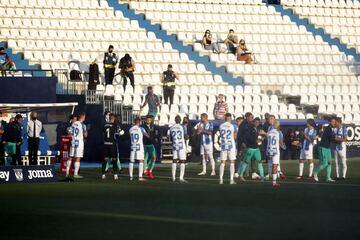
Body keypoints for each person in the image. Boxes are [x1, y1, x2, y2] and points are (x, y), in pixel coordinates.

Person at [238, 113, 265, 181]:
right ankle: (240, 175)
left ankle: (262, 176)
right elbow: (248, 137)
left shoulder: (256, 129)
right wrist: (255, 140)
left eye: (258, 122)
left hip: (256, 148)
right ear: (253, 122)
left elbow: (258, 138)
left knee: (259, 161)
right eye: (255, 122)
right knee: (246, 162)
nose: (257, 123)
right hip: (251, 148)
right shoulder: (250, 128)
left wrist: (261, 139)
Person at [102, 113, 124, 180]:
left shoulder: (105, 125)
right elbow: (119, 133)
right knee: (114, 160)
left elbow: (103, 133)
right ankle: (115, 175)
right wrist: (121, 133)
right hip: (112, 145)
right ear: (114, 119)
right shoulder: (115, 125)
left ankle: (103, 174)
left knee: (105, 160)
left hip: (106, 144)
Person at [313, 118, 336, 182]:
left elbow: (332, 138)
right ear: (330, 122)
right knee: (324, 164)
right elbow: (332, 138)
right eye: (332, 121)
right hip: (323, 148)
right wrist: (339, 140)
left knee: (330, 163)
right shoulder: (328, 129)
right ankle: (315, 172)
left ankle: (328, 178)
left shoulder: (331, 129)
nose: (334, 123)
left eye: (334, 122)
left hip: (327, 148)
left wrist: (337, 139)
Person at [66, 113, 87, 179]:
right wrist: (86, 132)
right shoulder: (83, 125)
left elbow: (69, 132)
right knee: (78, 157)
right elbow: (86, 135)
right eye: (84, 117)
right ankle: (75, 174)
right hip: (79, 142)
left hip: (73, 141)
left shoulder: (73, 123)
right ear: (83, 117)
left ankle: (67, 173)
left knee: (70, 156)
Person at [218, 113, 237, 185]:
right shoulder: (233, 126)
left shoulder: (221, 126)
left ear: (225, 118)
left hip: (223, 145)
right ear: (230, 118)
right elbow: (234, 137)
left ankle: (221, 180)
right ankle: (231, 180)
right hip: (231, 145)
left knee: (222, 162)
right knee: (232, 162)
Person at [170, 115, 188, 183]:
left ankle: (173, 177)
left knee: (174, 160)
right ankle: (181, 178)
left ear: (175, 120)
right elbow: (186, 136)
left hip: (175, 144)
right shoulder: (183, 126)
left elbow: (171, 138)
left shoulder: (171, 127)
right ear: (180, 120)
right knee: (182, 161)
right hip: (181, 145)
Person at [129, 117, 148, 181]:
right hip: (139, 146)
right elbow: (147, 136)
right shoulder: (141, 128)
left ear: (134, 122)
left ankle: (131, 176)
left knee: (131, 161)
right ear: (139, 122)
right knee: (141, 160)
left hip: (133, 145)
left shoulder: (131, 129)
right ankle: (140, 177)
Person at [266, 120, 283, 187]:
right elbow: (281, 142)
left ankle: (270, 174)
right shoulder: (279, 132)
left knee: (270, 164)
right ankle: (274, 182)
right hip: (275, 150)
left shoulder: (269, 132)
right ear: (278, 126)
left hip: (269, 149)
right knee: (275, 165)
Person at [142, 115, 158, 179]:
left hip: (151, 145)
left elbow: (155, 134)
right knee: (144, 158)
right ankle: (145, 170)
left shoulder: (153, 126)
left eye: (150, 120)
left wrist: (156, 138)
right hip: (144, 145)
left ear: (151, 120)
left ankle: (150, 171)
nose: (149, 121)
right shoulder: (142, 127)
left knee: (154, 157)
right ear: (145, 120)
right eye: (147, 119)